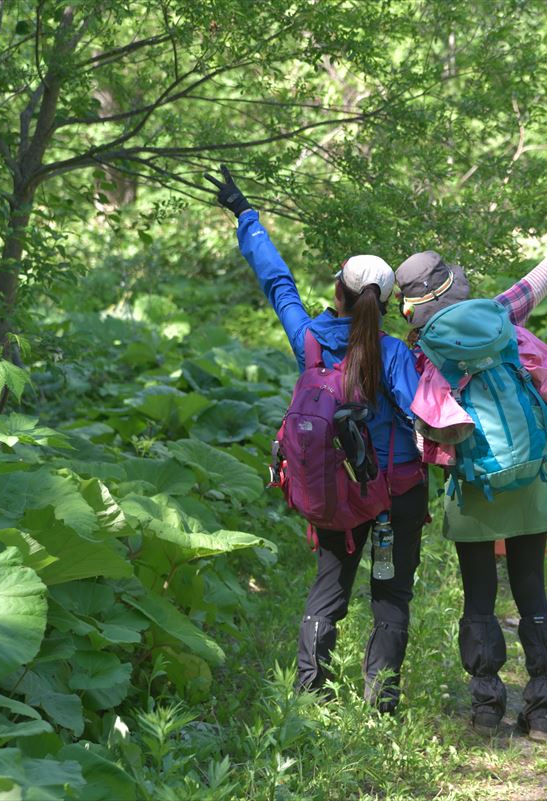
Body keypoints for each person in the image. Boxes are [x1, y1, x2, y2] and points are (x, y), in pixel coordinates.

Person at [394, 148, 547, 740]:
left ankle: (486, 706)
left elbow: (426, 426)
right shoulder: (500, 314)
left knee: (479, 596)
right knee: (532, 592)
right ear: (456, 283)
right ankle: (542, 709)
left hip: (475, 486)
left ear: (415, 306)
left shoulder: (421, 351)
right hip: (531, 479)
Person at [206, 166, 427, 713]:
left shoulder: (308, 340)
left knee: (329, 587)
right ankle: (381, 703)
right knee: (391, 595)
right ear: (386, 300)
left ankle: (310, 694)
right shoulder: (396, 353)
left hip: (338, 493)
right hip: (396, 493)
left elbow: (276, 281)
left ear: (339, 290)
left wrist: (245, 214)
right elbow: (427, 415)